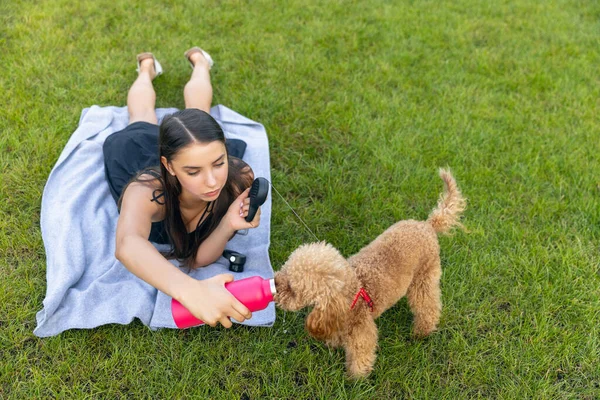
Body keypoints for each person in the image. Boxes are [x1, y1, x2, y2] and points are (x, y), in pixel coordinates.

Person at [102, 48, 260, 328]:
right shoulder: (147, 191)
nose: (212, 182)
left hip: (187, 151)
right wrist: (191, 291)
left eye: (218, 162)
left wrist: (228, 224)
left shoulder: (238, 177)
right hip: (138, 154)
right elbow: (128, 244)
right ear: (170, 166)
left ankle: (200, 62)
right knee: (141, 117)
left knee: (198, 116)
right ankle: (146, 69)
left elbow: (197, 258)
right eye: (194, 171)